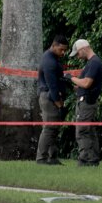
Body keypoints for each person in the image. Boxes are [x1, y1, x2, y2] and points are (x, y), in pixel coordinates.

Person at [68, 39, 102, 167]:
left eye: (77, 54)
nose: (77, 57)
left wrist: (71, 78)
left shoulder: (94, 63)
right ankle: (93, 159)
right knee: (90, 131)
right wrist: (71, 85)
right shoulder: (91, 63)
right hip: (87, 101)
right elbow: (84, 85)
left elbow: (86, 83)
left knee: (82, 131)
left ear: (83, 49)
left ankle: (85, 160)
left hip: (87, 103)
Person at [36, 34, 70, 165]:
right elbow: (52, 85)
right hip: (49, 97)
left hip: (50, 96)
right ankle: (41, 158)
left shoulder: (52, 58)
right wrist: (58, 103)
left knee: (54, 128)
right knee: (49, 128)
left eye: (65, 50)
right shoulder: (49, 61)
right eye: (61, 49)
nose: (63, 53)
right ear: (54, 45)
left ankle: (52, 157)